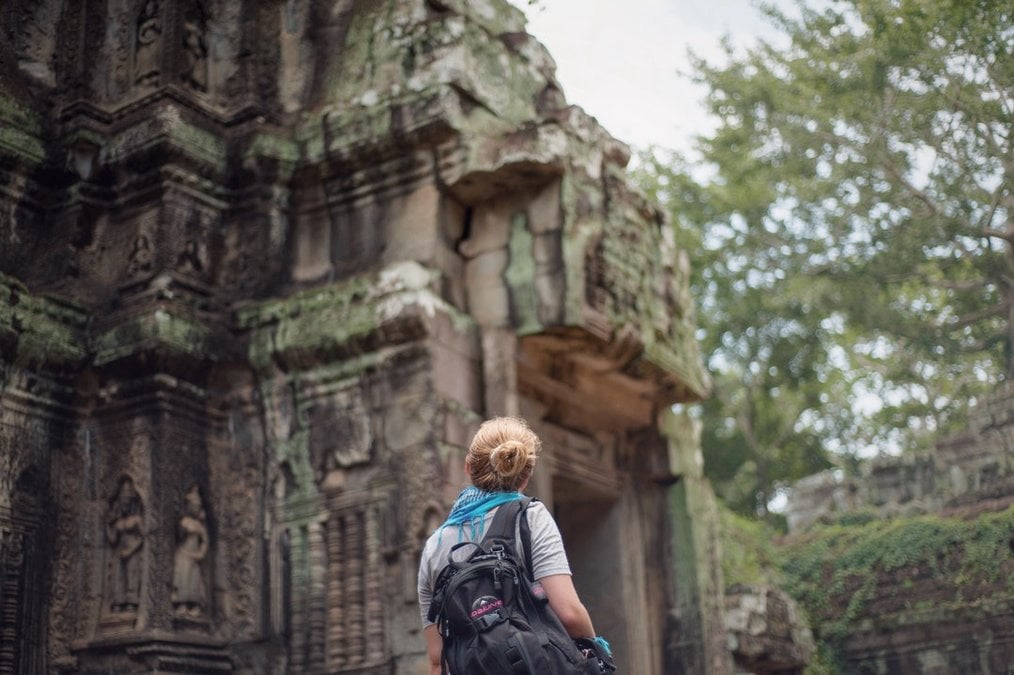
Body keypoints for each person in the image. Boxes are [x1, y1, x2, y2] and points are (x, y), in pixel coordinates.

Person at [417, 416, 607, 675]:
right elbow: (569, 613)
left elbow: (438, 660)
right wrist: (597, 652)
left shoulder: (434, 546)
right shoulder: (530, 516)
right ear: (525, 477)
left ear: (468, 467)